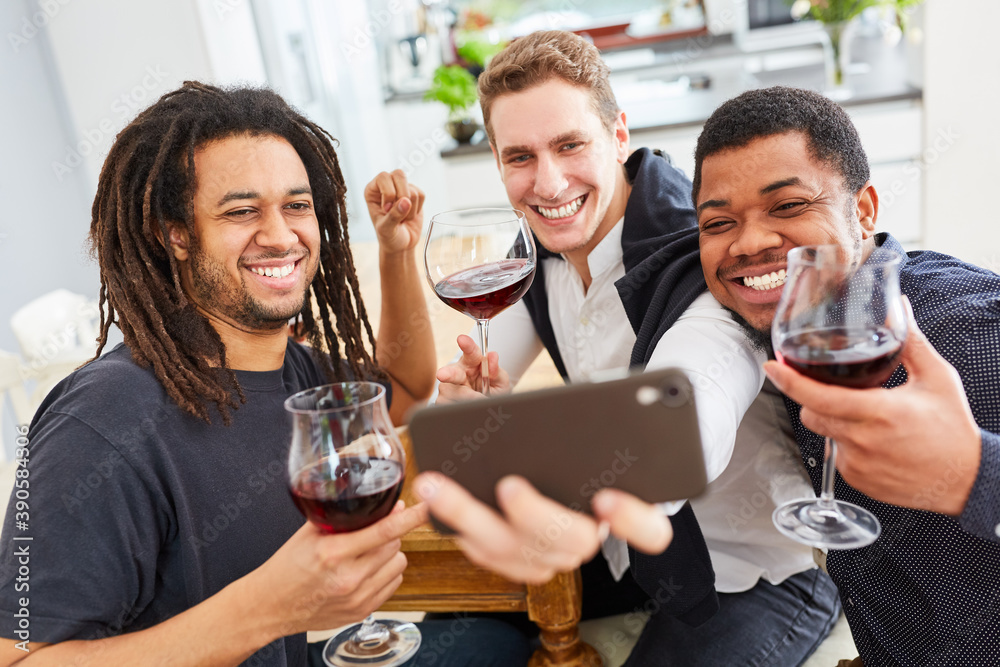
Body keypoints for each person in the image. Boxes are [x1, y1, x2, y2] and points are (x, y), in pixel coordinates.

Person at [429, 82, 1000, 665]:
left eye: (788, 206)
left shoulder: (963, 325)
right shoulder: (794, 315)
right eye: (719, 222)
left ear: (866, 210)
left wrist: (973, 471)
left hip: (759, 577)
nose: (751, 241)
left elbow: (698, 387)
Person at [0, 82, 530, 666]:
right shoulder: (103, 422)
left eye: (297, 206)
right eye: (242, 211)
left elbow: (402, 392)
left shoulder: (293, 373)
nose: (280, 236)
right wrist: (268, 610)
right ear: (172, 233)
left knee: (502, 632)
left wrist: (396, 251)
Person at [428, 31, 840, 665]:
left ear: (618, 134)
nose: (548, 181)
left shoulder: (699, 254)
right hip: (632, 555)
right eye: (520, 157)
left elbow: (694, 393)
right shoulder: (539, 251)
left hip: (756, 571)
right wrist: (473, 406)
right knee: (449, 613)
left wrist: (590, 498)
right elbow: (471, 380)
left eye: (570, 145)